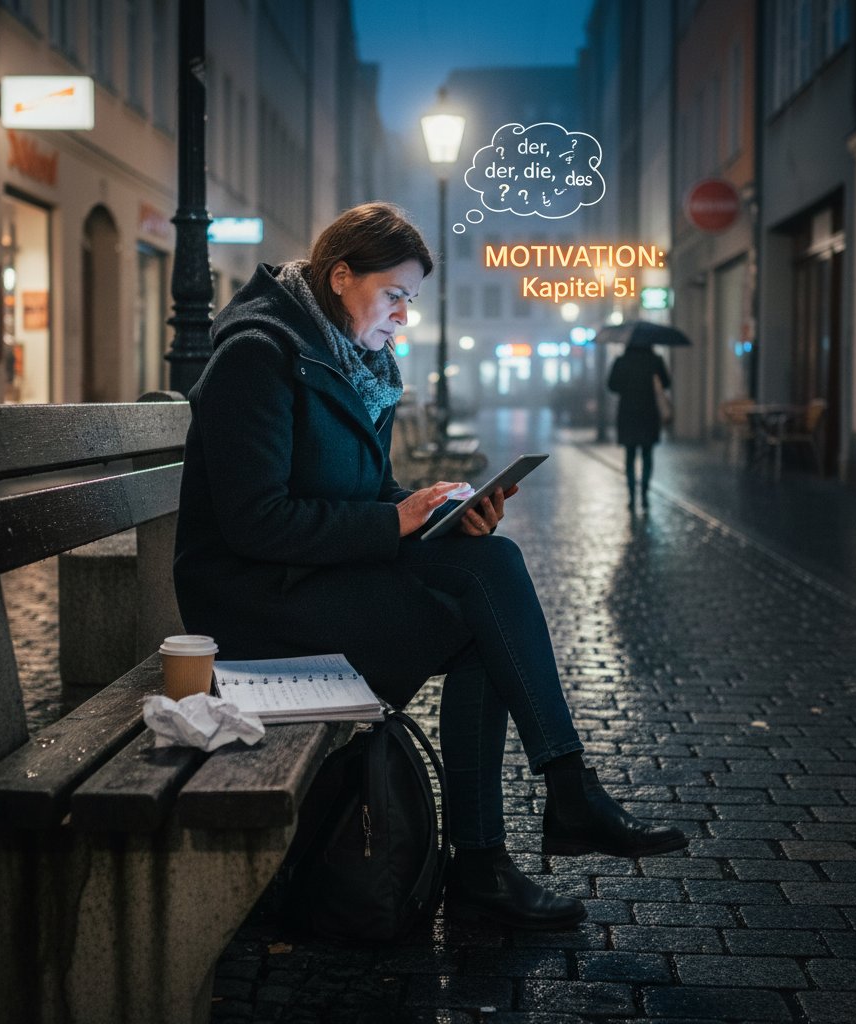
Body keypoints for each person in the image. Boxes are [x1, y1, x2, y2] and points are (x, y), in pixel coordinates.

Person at [174, 202, 687, 932]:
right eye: (395, 296)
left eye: (410, 300)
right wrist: (398, 520)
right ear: (341, 275)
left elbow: (360, 495)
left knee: (483, 569)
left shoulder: (353, 358)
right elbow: (258, 522)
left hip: (310, 584)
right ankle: (545, 815)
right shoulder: (258, 354)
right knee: (486, 584)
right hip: (253, 608)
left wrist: (428, 511)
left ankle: (495, 858)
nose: (403, 318)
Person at [607, 337, 672, 511]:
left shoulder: (621, 361)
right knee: (647, 455)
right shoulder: (655, 360)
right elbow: (667, 383)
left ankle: (631, 496)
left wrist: (626, 385)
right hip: (648, 413)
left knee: (629, 457)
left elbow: (611, 385)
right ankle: (644, 494)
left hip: (628, 413)